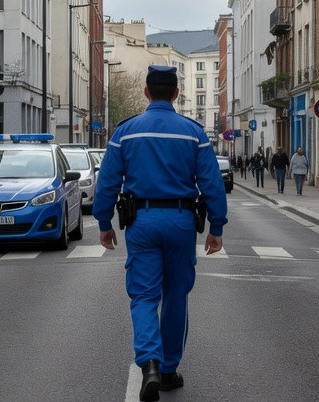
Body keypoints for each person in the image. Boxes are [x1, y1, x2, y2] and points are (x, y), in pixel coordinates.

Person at [94, 66, 228, 402]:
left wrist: (103, 222)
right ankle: (168, 369)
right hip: (182, 221)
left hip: (141, 222)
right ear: (177, 93)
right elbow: (211, 183)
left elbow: (108, 181)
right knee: (176, 294)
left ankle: (149, 364)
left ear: (146, 92)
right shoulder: (194, 133)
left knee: (143, 296)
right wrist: (217, 227)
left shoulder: (125, 132)